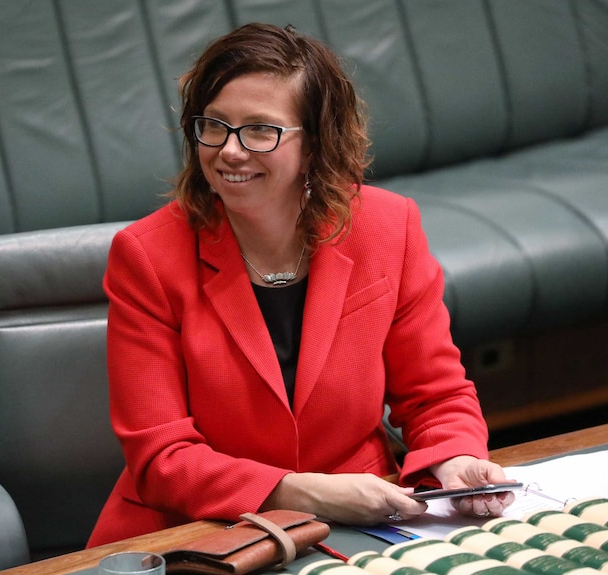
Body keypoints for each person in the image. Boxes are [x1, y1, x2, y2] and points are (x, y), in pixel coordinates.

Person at [87, 22, 514, 547]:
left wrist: (455, 460)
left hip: (363, 521)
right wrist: (302, 492)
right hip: (198, 530)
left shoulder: (388, 228)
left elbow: (435, 395)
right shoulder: (146, 256)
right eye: (214, 125)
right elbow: (162, 460)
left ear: (314, 144)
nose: (230, 151)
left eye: (261, 129)